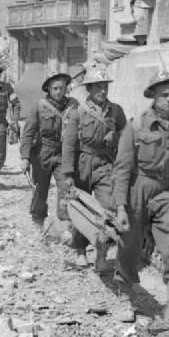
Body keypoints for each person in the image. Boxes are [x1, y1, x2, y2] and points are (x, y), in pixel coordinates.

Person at [112, 71, 169, 325]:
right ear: (153, 97)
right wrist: (119, 207)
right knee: (130, 244)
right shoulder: (137, 125)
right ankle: (126, 296)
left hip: (167, 189)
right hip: (138, 186)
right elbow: (123, 168)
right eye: (165, 95)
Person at [61, 68, 126, 268]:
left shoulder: (116, 111)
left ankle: (101, 254)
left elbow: (125, 137)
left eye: (105, 86)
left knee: (107, 210)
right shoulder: (78, 113)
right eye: (98, 87)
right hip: (82, 164)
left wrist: (115, 138)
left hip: (104, 164)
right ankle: (80, 251)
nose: (102, 91)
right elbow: (69, 144)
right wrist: (68, 174)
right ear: (89, 89)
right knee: (82, 210)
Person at [20, 72, 77, 234]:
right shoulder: (39, 106)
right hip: (42, 154)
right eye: (55, 88)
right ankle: (38, 219)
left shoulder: (74, 106)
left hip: (63, 154)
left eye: (62, 88)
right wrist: (25, 157)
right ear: (49, 89)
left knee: (66, 188)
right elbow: (28, 133)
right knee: (40, 189)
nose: (59, 91)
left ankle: (64, 224)